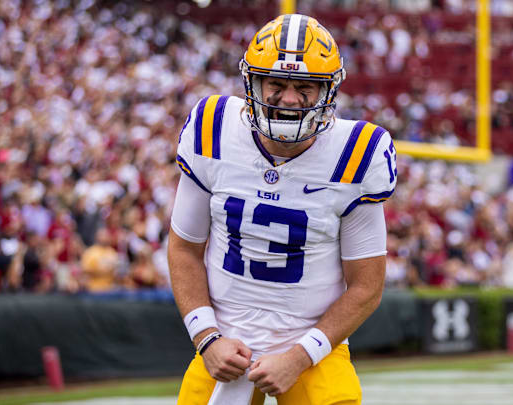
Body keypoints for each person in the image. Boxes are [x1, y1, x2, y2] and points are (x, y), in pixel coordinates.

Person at [168, 14, 397, 405]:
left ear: (328, 90)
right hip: (225, 343)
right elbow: (184, 248)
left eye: (305, 86)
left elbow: (366, 286)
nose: (290, 99)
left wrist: (300, 355)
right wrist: (207, 338)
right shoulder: (214, 128)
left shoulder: (357, 153)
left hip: (313, 346)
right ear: (251, 82)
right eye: (276, 83)